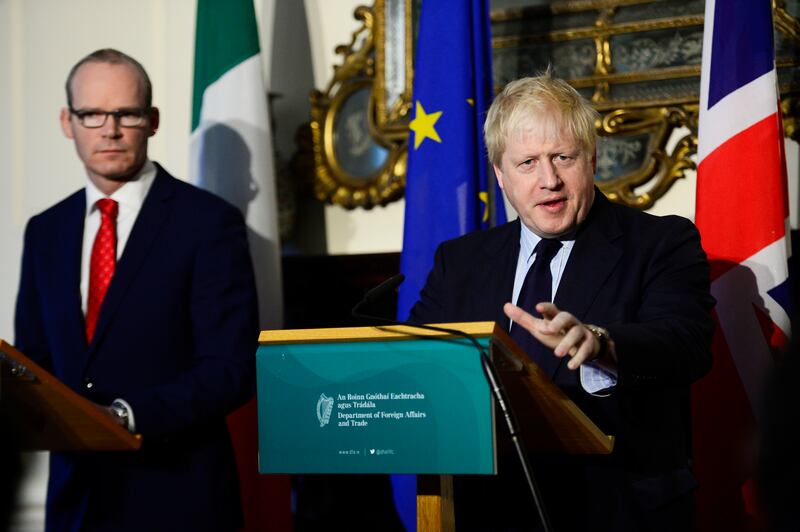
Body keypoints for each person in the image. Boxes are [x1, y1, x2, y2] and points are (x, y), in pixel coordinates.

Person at [409, 74, 715, 531]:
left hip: (615, 509)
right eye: (528, 162)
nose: (548, 180)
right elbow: (418, 361)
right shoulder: (461, 261)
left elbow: (685, 343)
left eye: (563, 158)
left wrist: (601, 343)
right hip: (487, 512)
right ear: (501, 176)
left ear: (591, 159)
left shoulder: (660, 242)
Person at [14, 49, 259, 532]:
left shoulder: (208, 223)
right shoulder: (45, 231)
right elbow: (36, 359)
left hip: (177, 496)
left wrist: (125, 417)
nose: (109, 129)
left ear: (153, 121)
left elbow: (230, 367)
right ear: (68, 121)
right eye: (92, 114)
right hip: (74, 502)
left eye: (127, 113)